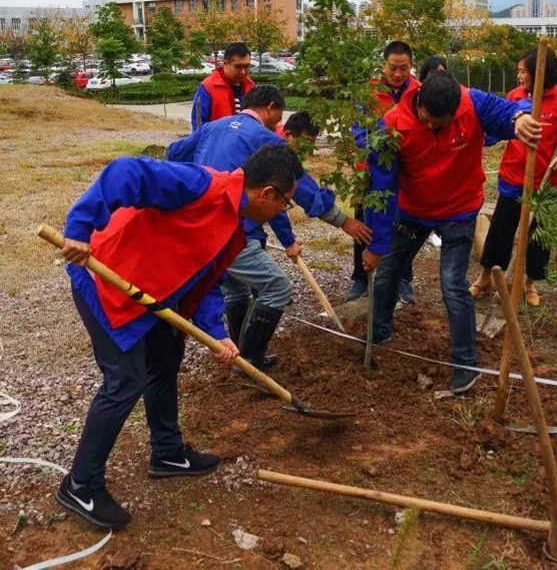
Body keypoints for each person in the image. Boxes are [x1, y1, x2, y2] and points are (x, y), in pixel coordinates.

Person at [56, 145, 304, 529]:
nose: (282, 213)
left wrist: (218, 334)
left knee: (166, 360)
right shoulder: (201, 185)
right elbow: (125, 171)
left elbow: (207, 282)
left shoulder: (236, 225)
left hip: (152, 297)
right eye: (286, 204)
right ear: (267, 193)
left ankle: (167, 453)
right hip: (106, 280)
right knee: (125, 380)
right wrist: (79, 228)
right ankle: (80, 484)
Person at [167, 85, 371, 371]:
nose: (279, 122)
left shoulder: (215, 126)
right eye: (279, 115)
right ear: (271, 107)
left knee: (235, 292)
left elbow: (174, 153)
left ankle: (235, 350)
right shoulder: (265, 140)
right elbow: (298, 189)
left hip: (200, 224)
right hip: (234, 231)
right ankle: (250, 361)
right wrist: (344, 221)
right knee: (277, 287)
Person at [363, 71, 542, 393]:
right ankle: (378, 331)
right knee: (388, 270)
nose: (432, 127)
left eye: (440, 123)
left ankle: (465, 362)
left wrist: (519, 118)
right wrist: (377, 242)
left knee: (452, 284)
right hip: (412, 211)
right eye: (427, 120)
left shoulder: (470, 102)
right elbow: (381, 189)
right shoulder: (391, 125)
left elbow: (505, 110)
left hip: (459, 210)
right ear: (418, 101)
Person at [469, 47, 557, 307]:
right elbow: (500, 126)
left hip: (547, 180)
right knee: (500, 230)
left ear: (539, 72)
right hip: (514, 176)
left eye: (523, 71)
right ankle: (486, 277)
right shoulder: (515, 97)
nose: (519, 76)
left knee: (539, 236)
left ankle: (529, 284)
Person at [349, 41, 421, 303]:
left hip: (406, 171)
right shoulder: (368, 92)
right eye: (393, 67)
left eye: (404, 68)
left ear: (411, 66)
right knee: (362, 224)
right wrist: (379, 145)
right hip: (369, 168)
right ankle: (360, 278)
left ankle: (403, 278)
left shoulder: (419, 92)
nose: (398, 74)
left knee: (405, 225)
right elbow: (358, 132)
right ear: (384, 65)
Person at [191, 42, 255, 131]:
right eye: (238, 67)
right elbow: (198, 128)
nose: (243, 71)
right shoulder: (208, 87)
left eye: (246, 66)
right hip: (216, 143)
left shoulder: (250, 85)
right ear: (225, 63)